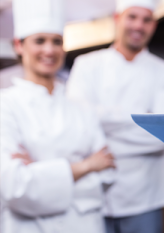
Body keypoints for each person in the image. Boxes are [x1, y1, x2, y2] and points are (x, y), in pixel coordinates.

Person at [0, 0, 116, 232]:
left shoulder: (81, 107)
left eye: (57, 41)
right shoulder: (5, 105)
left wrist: (40, 173)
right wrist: (85, 166)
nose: (49, 50)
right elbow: (14, 187)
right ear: (19, 45)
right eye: (39, 41)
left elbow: (107, 173)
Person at [66, 0, 164, 232]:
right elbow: (78, 126)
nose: (139, 25)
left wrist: (103, 123)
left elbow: (163, 135)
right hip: (94, 194)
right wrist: (144, 119)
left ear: (154, 25)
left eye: (146, 19)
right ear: (117, 19)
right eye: (132, 17)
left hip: (146, 195)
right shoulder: (86, 65)